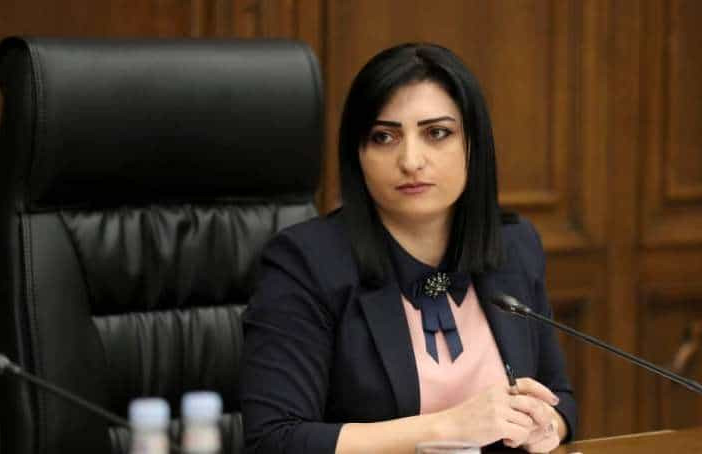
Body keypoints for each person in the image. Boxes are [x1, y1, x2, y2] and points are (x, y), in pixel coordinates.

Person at [240, 43, 577, 453]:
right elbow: (275, 440)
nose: (411, 160)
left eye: (437, 133)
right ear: (357, 154)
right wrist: (450, 427)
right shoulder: (306, 263)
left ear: (474, 145)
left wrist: (548, 425)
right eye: (384, 137)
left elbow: (559, 396)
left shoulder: (515, 245)